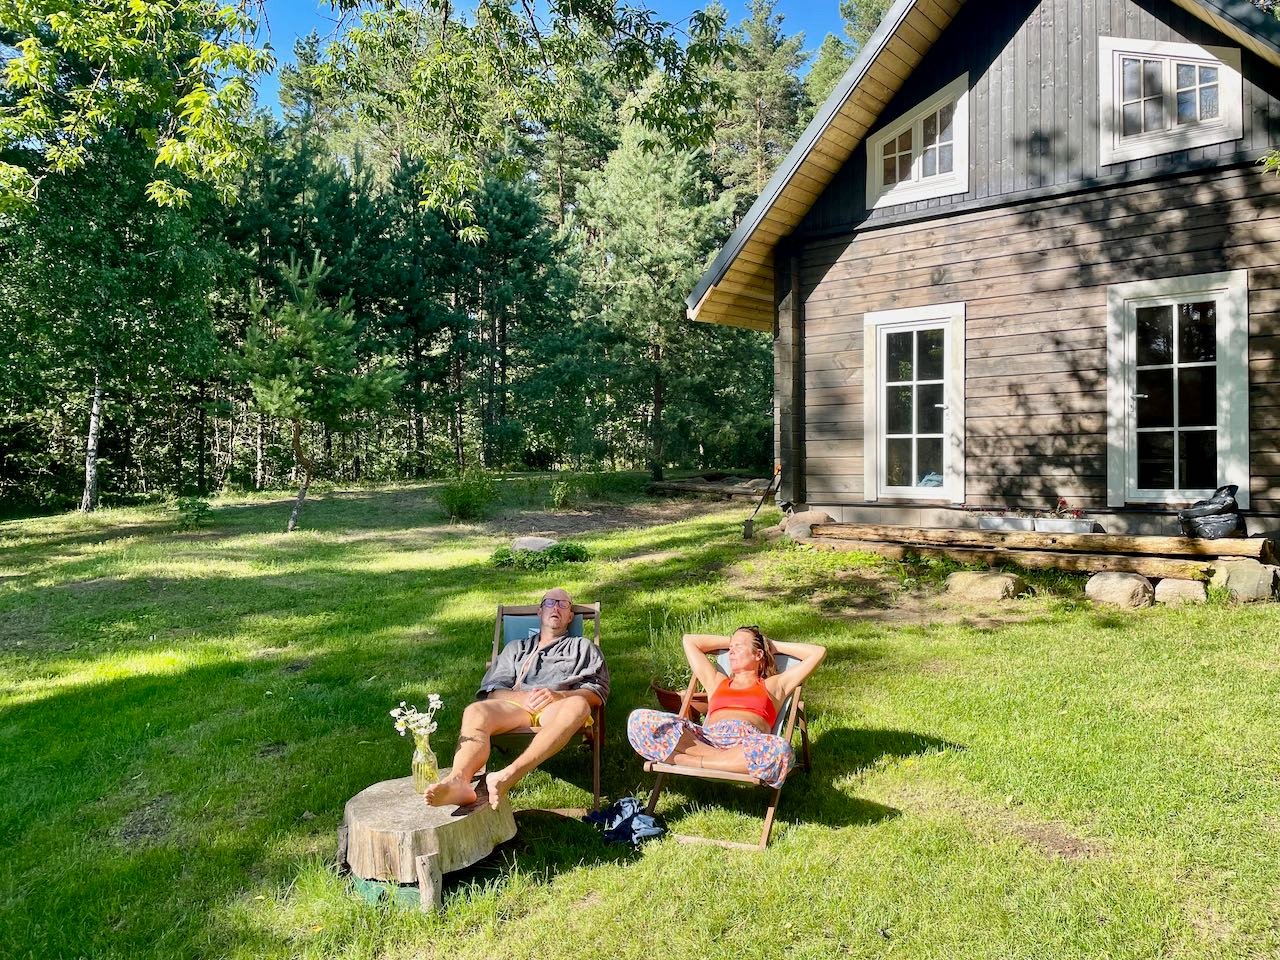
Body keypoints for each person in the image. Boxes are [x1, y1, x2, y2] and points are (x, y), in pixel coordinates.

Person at [425, 587, 609, 809]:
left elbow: (597, 692)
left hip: (557, 708)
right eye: (550, 603)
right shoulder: (516, 648)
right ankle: (459, 781)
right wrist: (524, 698)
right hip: (516, 708)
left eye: (563, 604)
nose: (556, 608)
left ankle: (508, 775)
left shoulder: (582, 647)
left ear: (570, 616)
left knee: (579, 705)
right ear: (540, 612)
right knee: (475, 711)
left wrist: (559, 695)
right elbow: (491, 690)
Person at [627, 627, 824, 788]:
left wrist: (771, 644)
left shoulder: (774, 685)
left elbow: (818, 652)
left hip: (745, 745)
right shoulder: (716, 681)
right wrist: (733, 641)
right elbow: (689, 641)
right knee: (638, 719)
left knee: (780, 749)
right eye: (730, 647)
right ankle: (719, 761)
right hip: (706, 741)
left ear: (758, 654)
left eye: (739, 646)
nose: (731, 651)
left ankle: (691, 762)